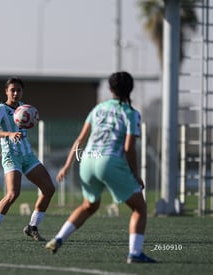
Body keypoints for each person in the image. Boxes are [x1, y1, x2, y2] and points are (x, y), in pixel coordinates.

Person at [45, 71, 156, 263]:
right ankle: (135, 254)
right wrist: (135, 174)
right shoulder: (131, 113)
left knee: (89, 205)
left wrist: (67, 166)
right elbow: (129, 148)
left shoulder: (98, 109)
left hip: (87, 160)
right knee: (139, 208)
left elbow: (80, 140)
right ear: (131, 89)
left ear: (110, 89)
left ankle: (58, 238)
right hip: (108, 161)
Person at [0, 77, 55, 242]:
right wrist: (9, 134)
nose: (15, 93)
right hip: (10, 155)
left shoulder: (24, 108)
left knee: (49, 189)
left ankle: (32, 227)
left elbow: (28, 123)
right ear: (6, 91)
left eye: (18, 90)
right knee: (13, 193)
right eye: (12, 90)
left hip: (27, 154)